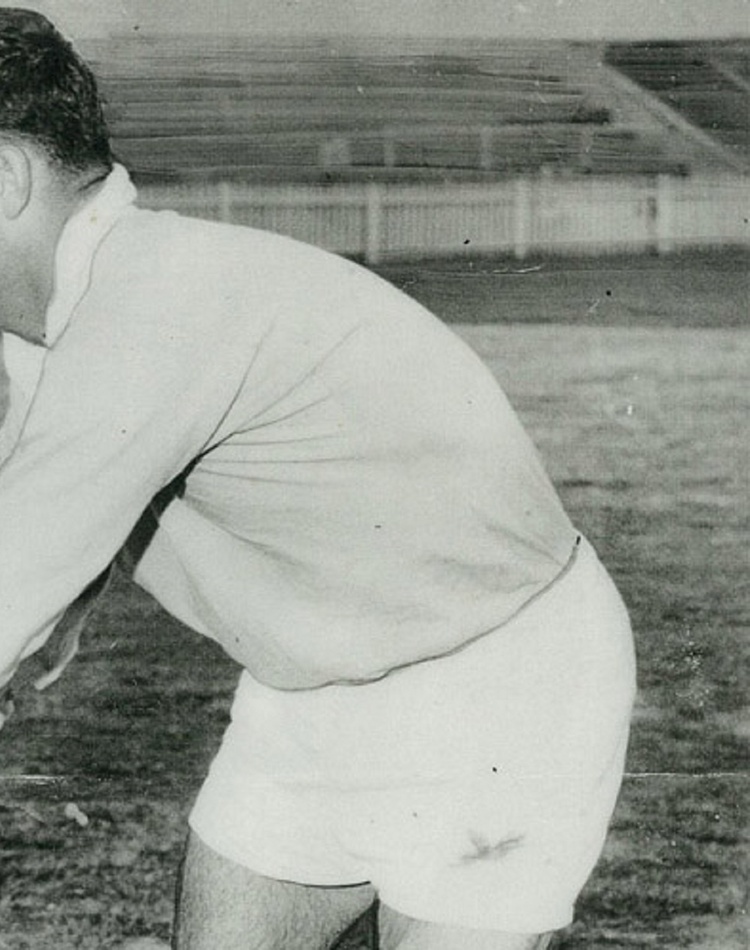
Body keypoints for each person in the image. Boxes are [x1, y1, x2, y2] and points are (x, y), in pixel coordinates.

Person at [0, 9, 636, 950]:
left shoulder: (152, 297)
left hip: (504, 695)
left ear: (6, 175)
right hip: (303, 699)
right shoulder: (50, 331)